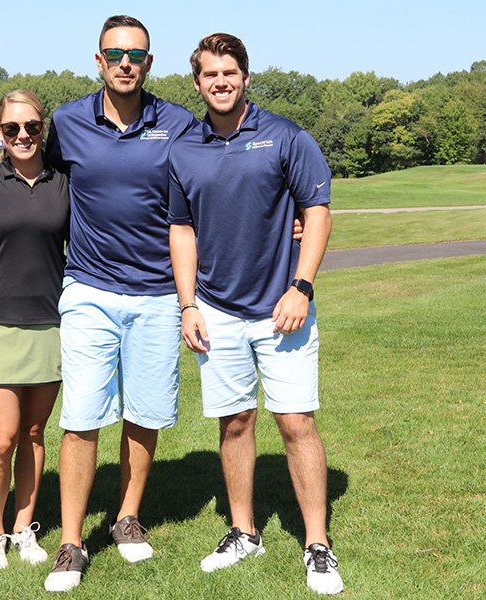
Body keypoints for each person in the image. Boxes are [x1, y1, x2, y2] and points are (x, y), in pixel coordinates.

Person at [168, 33, 344, 595]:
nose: (220, 82)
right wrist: (188, 304)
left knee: (295, 423)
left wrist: (302, 286)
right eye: (209, 74)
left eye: (229, 72)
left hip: (282, 310)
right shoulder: (184, 148)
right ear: (196, 83)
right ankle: (244, 532)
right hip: (215, 312)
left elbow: (316, 212)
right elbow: (182, 229)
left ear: (245, 77)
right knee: (236, 421)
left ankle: (317, 543)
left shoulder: (286, 136)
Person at [41, 15, 199, 592]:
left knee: (146, 412)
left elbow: (216, 182)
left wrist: (290, 226)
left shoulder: (178, 123)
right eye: (115, 53)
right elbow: (34, 179)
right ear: (99, 61)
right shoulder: (66, 121)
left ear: (150, 63)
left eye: (136, 54)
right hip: (88, 289)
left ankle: (127, 517)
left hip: (159, 293)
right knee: (82, 415)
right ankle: (70, 542)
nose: (126, 62)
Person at [0, 89, 69, 570]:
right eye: (12, 129)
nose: (23, 136)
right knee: (2, 438)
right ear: (0, 134)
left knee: (33, 431)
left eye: (31, 127)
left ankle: (23, 528)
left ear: (43, 129)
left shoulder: (63, 181)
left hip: (50, 321)